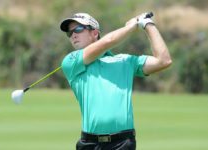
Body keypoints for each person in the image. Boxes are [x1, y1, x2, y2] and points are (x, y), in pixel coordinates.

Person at [59, 12, 172, 150]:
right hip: (89, 144)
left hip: (122, 143)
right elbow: (108, 42)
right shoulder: (71, 62)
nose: (73, 35)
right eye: (69, 33)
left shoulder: (125, 61)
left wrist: (148, 24)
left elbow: (164, 61)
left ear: (94, 33)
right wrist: (131, 26)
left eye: (78, 29)